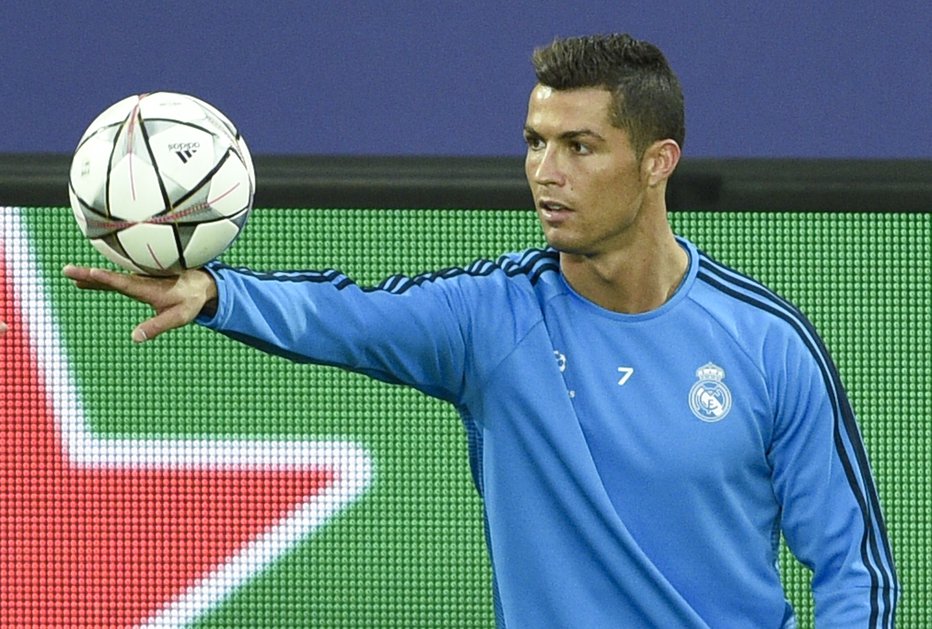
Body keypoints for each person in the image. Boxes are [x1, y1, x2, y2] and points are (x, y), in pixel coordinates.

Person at [63, 33, 898, 627]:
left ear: (657, 162)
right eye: (535, 142)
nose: (545, 171)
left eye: (579, 145)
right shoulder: (490, 320)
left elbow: (852, 567)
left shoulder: (766, 341)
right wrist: (215, 292)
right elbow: (347, 313)